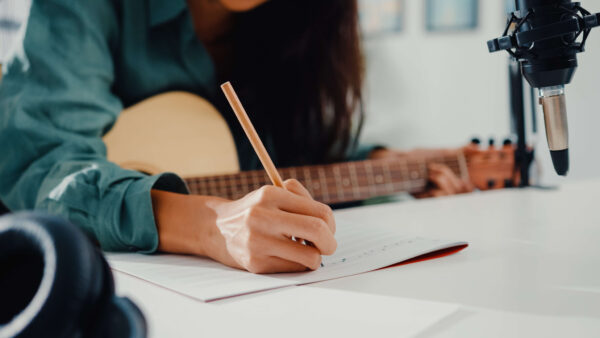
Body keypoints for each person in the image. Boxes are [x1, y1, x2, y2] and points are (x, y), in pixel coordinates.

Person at [0, 0, 472, 273]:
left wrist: (388, 170)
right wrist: (210, 225)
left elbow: (292, 155)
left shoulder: (299, 24)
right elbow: (40, 165)